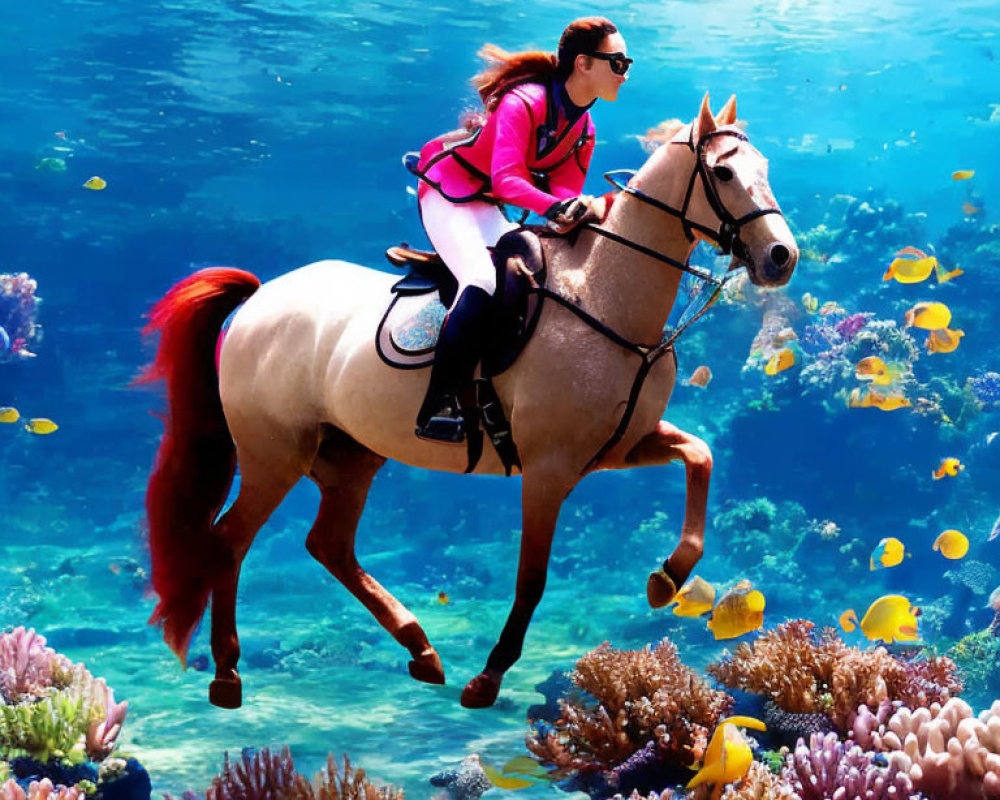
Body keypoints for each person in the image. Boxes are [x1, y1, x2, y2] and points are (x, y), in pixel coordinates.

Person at [413, 17, 631, 443]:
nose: (624, 74)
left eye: (627, 64)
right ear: (584, 64)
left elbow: (564, 195)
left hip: (487, 204)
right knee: (480, 278)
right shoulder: (525, 101)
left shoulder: (584, 128)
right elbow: (507, 180)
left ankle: (495, 396)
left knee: (527, 282)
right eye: (618, 62)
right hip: (448, 189)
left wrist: (586, 209)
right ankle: (436, 405)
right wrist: (558, 205)